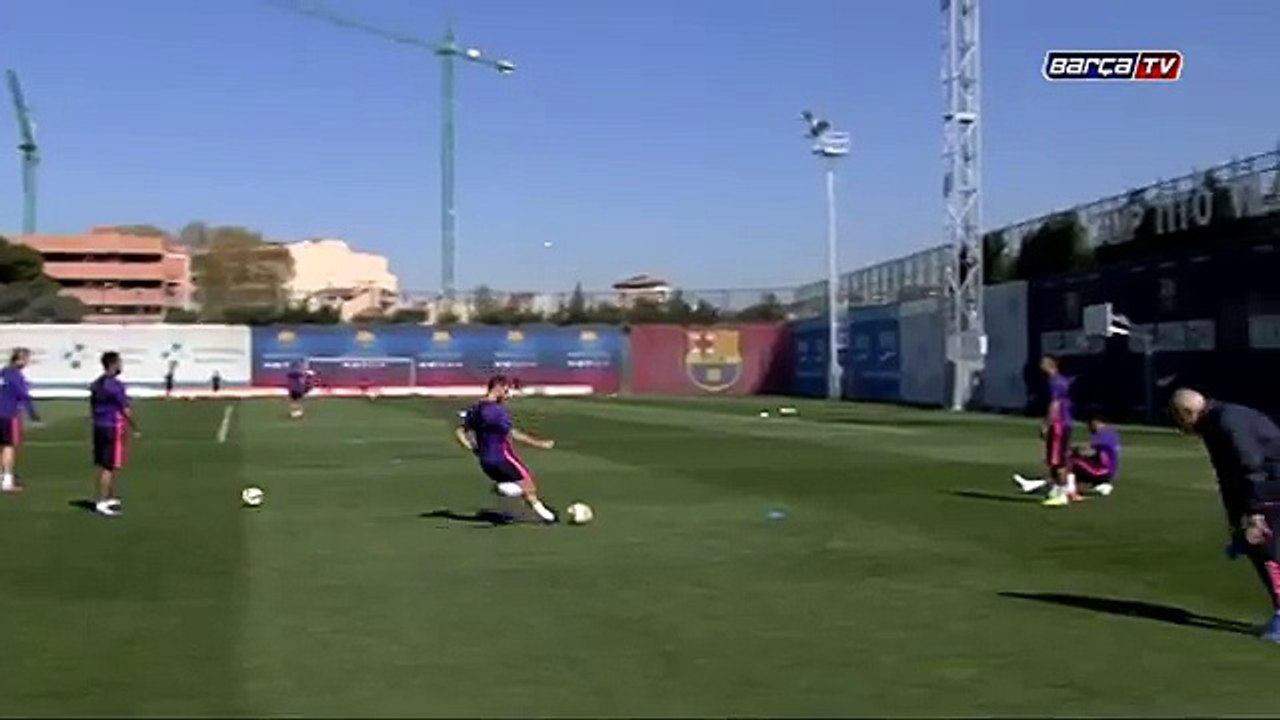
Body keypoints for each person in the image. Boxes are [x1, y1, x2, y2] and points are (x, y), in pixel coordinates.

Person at [1170, 388, 1280, 641]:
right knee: (1256, 544)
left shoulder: (1226, 422)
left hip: (1272, 485)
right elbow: (1228, 478)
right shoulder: (1213, 422)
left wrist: (1254, 513)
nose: (1179, 427)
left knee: (1265, 546)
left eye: (1178, 419)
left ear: (1187, 413)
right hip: (1265, 487)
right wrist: (1235, 525)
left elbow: (1249, 464)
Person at [454, 374, 558, 524]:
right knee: (528, 485)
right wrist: (540, 443)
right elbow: (513, 433)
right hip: (502, 457)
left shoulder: (475, 408)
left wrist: (473, 448)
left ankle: (510, 503)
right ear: (498, 388)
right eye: (506, 391)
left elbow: (460, 431)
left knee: (519, 484)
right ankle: (547, 516)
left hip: (485, 461)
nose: (507, 395)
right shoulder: (496, 411)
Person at [1014, 415, 1119, 497]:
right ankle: (1035, 485)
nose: (1089, 427)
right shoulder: (1109, 434)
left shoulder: (1105, 435)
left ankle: (1066, 489)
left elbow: (1088, 451)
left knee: (1068, 463)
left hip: (1102, 470)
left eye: (1090, 424)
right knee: (1066, 469)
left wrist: (1066, 450)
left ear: (1097, 422)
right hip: (1102, 470)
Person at [89, 351, 139, 517]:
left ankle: (108, 497)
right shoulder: (116, 386)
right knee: (109, 466)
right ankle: (102, 502)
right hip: (112, 426)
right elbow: (125, 409)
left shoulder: (96, 384)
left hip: (99, 425)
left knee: (106, 464)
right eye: (119, 363)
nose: (121, 366)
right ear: (113, 365)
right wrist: (135, 427)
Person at [1036, 356, 1080, 507]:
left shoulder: (1054, 382)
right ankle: (1066, 489)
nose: (1040, 365)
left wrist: (1046, 424)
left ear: (1050, 365)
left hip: (1058, 424)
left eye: (1043, 363)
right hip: (1066, 422)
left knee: (1056, 460)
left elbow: (1054, 404)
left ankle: (1061, 493)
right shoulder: (1062, 380)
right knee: (1061, 458)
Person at [0, 348, 40, 493]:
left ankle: (2, 477)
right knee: (8, 446)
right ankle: (7, 480)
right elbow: (24, 396)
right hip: (8, 414)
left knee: (3, 446)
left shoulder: (4, 372)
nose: (27, 362)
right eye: (26, 359)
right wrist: (34, 414)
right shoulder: (16, 376)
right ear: (20, 360)